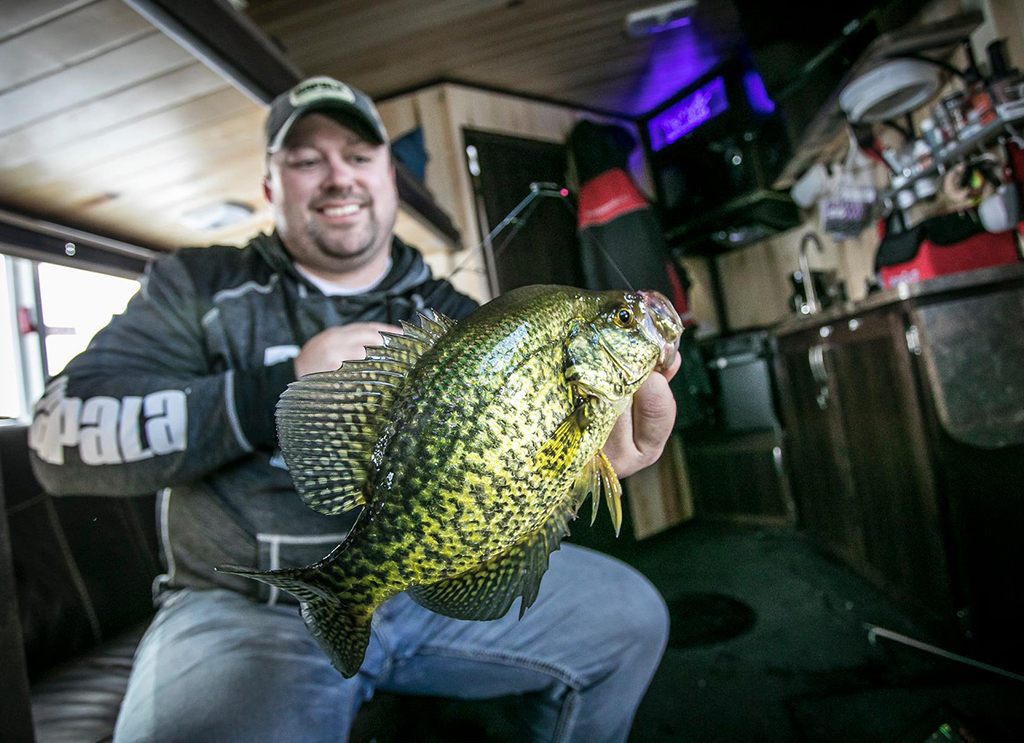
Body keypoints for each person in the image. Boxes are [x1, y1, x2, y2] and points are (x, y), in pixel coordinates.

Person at [29, 76, 679, 743]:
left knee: (631, 619)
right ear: (269, 187)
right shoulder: (195, 287)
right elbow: (56, 437)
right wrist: (281, 381)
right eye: (306, 159)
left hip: (433, 586)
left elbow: (516, 481)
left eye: (359, 155)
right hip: (245, 606)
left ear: (391, 176)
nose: (338, 176)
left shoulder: (461, 321)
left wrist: (582, 464)